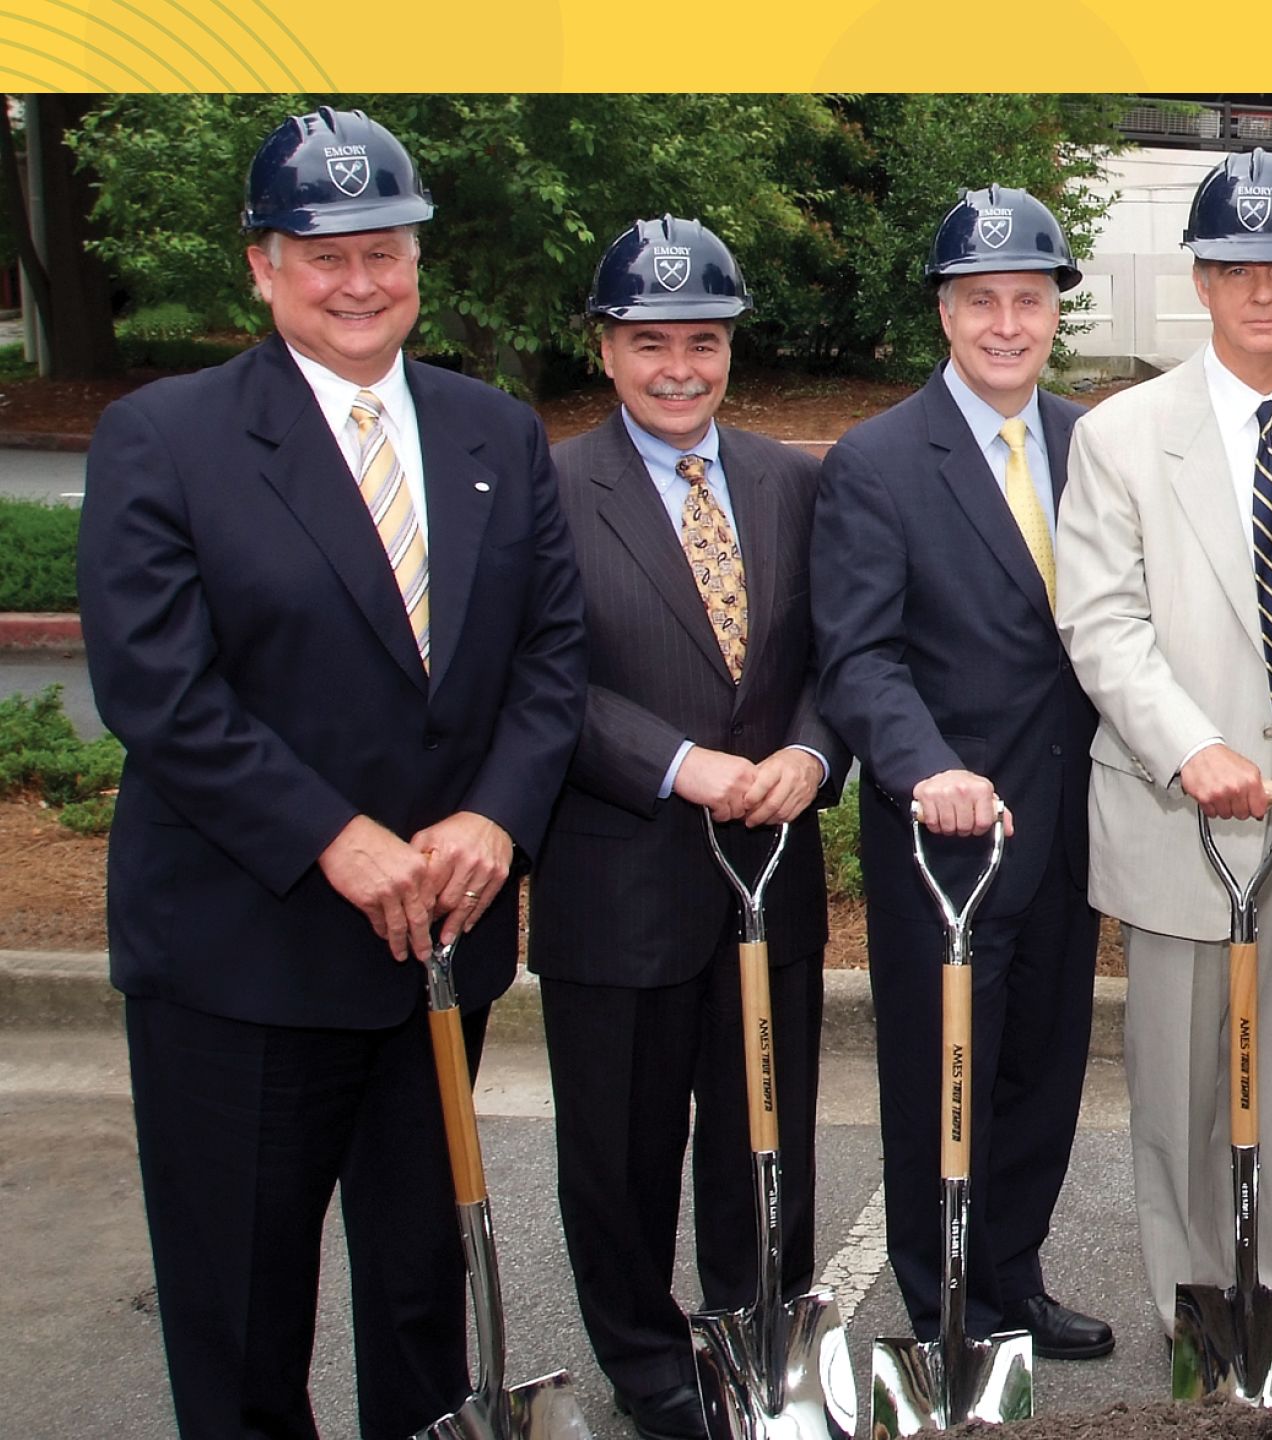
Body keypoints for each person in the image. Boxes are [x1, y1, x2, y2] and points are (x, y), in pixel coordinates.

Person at [77, 106, 585, 1438]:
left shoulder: (495, 433)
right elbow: (157, 688)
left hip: (439, 942)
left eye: (385, 253)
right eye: (323, 256)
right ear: (260, 266)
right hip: (248, 950)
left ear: (420, 261)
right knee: (243, 1307)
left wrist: (496, 818)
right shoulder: (165, 437)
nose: (359, 284)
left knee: (423, 1284)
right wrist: (332, 837)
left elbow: (551, 656)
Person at [1053, 148, 1272, 1362]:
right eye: (1237, 268)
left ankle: (1264, 1278)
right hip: (1181, 802)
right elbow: (1101, 621)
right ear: (1199, 279)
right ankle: (1193, 1300)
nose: (1262, 291)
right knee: (1183, 1074)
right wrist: (1190, 748)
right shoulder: (1123, 434)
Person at [528, 216, 844, 1440]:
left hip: (771, 871)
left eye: (702, 342)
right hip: (618, 876)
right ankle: (644, 1354)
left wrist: (814, 753)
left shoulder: (788, 481)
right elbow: (538, 676)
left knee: (767, 1124)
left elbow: (836, 655)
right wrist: (675, 764)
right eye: (649, 341)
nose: (678, 367)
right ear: (605, 348)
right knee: (619, 1146)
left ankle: (757, 1321)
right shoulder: (549, 489)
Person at [815, 187, 1113, 1360]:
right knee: (943, 1071)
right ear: (945, 312)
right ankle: (948, 1303)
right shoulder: (879, 461)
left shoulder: (1091, 444)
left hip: (1071, 819)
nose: (1005, 324)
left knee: (1041, 1069)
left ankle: (1015, 1278)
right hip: (947, 832)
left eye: (1027, 301)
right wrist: (926, 767)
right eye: (981, 300)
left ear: (1053, 315)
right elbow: (858, 655)